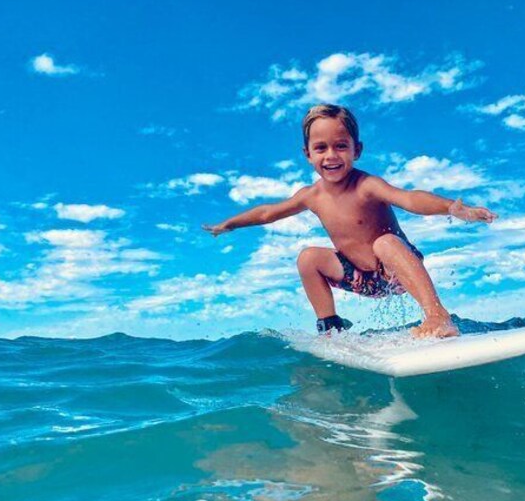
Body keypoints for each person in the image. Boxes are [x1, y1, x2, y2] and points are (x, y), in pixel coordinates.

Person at [204, 104, 496, 338]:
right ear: (308, 154)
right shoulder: (311, 196)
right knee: (308, 258)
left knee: (384, 242)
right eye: (321, 148)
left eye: (341, 146)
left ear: (357, 150)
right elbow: (268, 212)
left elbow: (408, 199)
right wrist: (230, 224)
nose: (331, 155)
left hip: (396, 269)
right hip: (361, 279)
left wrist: (451, 208)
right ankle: (331, 328)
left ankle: (437, 316)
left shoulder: (367, 185)